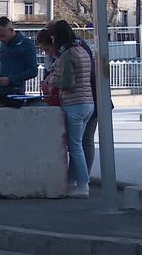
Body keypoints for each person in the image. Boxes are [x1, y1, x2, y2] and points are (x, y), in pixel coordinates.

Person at [49, 20, 94, 198]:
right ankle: (75, 181)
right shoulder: (82, 50)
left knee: (75, 147)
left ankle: (82, 185)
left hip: (74, 103)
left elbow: (67, 83)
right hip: (88, 102)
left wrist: (53, 80)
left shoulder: (68, 55)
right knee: (79, 145)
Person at [0, 17, 38, 96]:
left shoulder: (26, 44)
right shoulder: (4, 44)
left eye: (3, 36)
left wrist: (10, 80)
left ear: (11, 30)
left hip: (15, 93)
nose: (1, 39)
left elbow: (33, 71)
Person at [36, 28, 59, 106]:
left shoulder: (62, 58)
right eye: (42, 50)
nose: (45, 53)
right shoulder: (49, 59)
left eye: (47, 49)